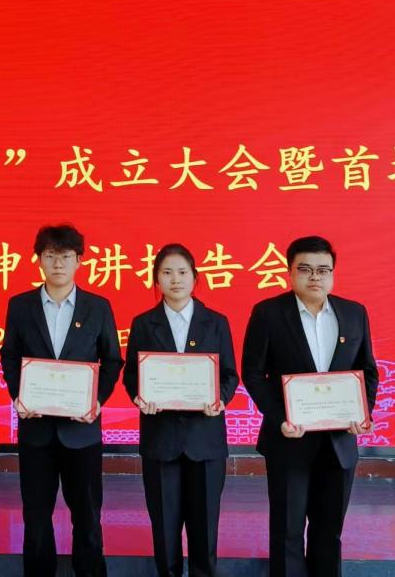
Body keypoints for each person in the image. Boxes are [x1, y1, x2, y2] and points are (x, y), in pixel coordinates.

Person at [241, 235, 378, 577]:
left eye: (323, 270)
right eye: (305, 269)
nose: (315, 276)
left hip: (339, 443)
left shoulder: (354, 313)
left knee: (329, 532)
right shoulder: (268, 313)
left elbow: (367, 371)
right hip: (289, 439)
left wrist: (362, 413)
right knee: (287, 531)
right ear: (290, 272)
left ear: (332, 274)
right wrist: (280, 418)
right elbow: (254, 373)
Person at [0, 223, 124, 577]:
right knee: (36, 518)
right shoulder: (20, 305)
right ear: (39, 260)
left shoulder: (97, 307)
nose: (58, 264)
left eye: (66, 256)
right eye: (50, 256)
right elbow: (10, 355)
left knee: (87, 516)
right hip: (36, 431)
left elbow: (112, 360)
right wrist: (19, 394)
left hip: (82, 432)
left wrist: (96, 401)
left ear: (79, 261)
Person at [122, 243, 239, 577]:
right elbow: (133, 375)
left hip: (205, 440)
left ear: (195, 277)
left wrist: (221, 399)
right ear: (156, 279)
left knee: (205, 530)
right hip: (161, 439)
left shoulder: (216, 322)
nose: (176, 279)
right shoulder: (143, 323)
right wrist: (140, 396)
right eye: (167, 272)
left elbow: (229, 374)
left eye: (183, 272)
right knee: (165, 529)